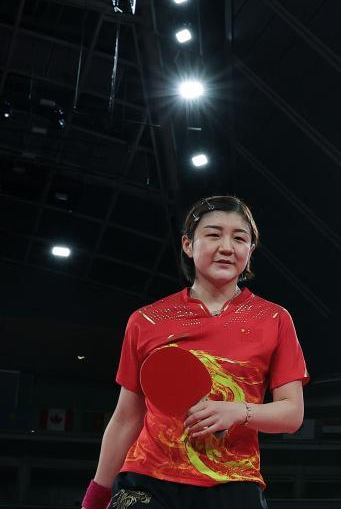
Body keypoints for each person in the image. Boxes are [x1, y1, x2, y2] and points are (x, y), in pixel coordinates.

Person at [81, 195, 309, 509]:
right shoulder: (147, 320)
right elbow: (126, 418)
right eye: (213, 234)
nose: (227, 247)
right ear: (188, 245)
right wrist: (96, 497)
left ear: (250, 251)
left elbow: (291, 414)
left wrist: (238, 411)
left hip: (233, 482)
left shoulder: (274, 319)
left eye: (239, 238)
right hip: (148, 480)